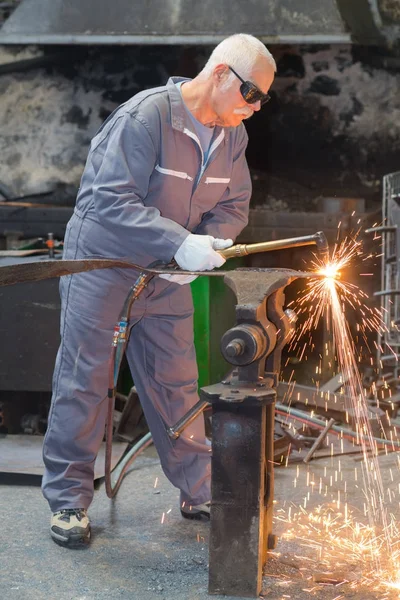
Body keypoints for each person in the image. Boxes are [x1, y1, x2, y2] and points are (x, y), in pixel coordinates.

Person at [42, 33, 276, 547]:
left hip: (168, 270)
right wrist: (179, 241)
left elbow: (233, 205)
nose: (254, 108)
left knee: (177, 380)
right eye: (250, 94)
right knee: (86, 377)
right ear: (219, 73)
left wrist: (207, 244)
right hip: (105, 263)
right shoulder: (146, 118)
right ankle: (68, 501)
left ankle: (199, 489)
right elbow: (108, 200)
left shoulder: (231, 135)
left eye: (262, 99)